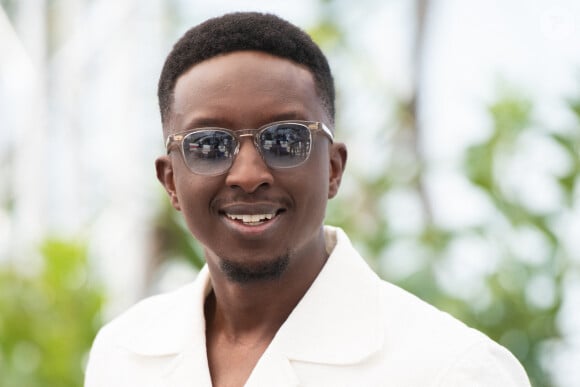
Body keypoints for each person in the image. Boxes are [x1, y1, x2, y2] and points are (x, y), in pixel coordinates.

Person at [85, 12, 531, 387]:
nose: (248, 175)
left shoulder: (454, 370)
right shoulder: (123, 356)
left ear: (333, 168)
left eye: (284, 140)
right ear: (170, 182)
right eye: (209, 145)